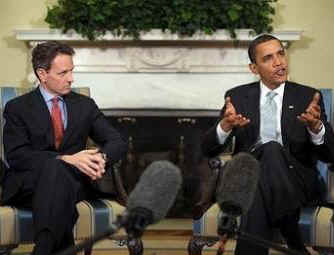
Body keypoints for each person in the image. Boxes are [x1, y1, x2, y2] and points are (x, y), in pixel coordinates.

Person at [201, 34, 334, 254]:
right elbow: (207, 149)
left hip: (297, 181)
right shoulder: (237, 97)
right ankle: (291, 232)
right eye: (268, 58)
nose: (279, 62)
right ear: (254, 68)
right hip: (247, 178)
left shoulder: (308, 97)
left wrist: (316, 128)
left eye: (281, 53)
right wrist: (225, 126)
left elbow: (331, 154)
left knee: (270, 153)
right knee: (265, 160)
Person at [1, 41, 128, 255]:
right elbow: (17, 157)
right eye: (63, 73)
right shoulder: (18, 108)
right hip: (29, 184)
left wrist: (100, 159)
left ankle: (43, 249)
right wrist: (66, 159)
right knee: (55, 169)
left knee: (59, 177)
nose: (71, 78)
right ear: (42, 74)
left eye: (72, 71)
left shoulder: (85, 105)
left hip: (75, 183)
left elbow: (117, 142)